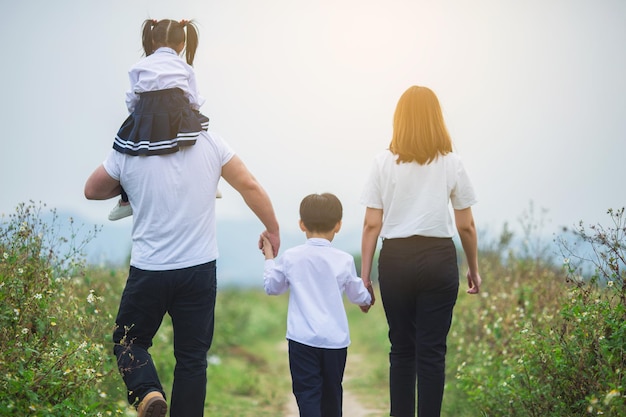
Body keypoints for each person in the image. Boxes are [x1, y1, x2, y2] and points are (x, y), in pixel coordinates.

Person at [84, 109, 280, 415]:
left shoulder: (131, 148)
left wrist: (128, 185)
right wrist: (273, 228)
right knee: (192, 358)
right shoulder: (211, 143)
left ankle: (148, 391)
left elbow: (92, 190)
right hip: (198, 269)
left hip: (150, 269)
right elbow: (249, 185)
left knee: (128, 341)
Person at [359, 85, 482, 417]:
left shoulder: (382, 162)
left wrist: (365, 277)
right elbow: (466, 226)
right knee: (432, 353)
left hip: (395, 260)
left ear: (399, 120)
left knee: (401, 349)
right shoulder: (451, 163)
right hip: (439, 258)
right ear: (436, 119)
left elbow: (372, 224)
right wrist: (473, 267)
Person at [261, 193, 372, 417]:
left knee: (307, 395)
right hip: (335, 341)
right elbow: (357, 294)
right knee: (332, 395)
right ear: (338, 225)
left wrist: (269, 257)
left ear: (302, 224)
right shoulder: (344, 259)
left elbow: (273, 287)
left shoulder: (292, 257)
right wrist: (367, 299)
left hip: (302, 340)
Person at [108, 18, 218, 221]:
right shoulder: (186, 68)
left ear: (150, 42)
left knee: (126, 149)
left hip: (146, 122)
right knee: (201, 133)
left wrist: (141, 117)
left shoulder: (138, 66)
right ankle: (209, 181)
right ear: (182, 44)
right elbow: (194, 101)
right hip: (177, 123)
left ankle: (125, 199)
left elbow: (131, 99)